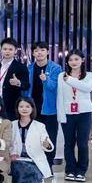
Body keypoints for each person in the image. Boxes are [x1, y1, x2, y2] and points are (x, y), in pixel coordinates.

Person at [57, 50, 92, 183]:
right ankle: (70, 170)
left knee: (82, 143)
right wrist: (61, 115)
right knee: (69, 143)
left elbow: (87, 88)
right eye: (70, 60)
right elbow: (60, 96)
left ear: (82, 60)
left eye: (76, 59)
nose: (73, 62)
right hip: (67, 113)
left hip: (84, 113)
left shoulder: (90, 75)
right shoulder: (62, 76)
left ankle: (81, 171)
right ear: (67, 62)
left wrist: (70, 80)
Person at [24, 41, 63, 170]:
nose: (39, 53)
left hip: (50, 109)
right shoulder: (29, 68)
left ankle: (48, 166)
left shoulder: (56, 68)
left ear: (47, 52)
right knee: (34, 138)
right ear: (33, 53)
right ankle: (37, 165)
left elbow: (55, 87)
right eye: (36, 50)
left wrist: (46, 80)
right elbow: (26, 89)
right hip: (33, 110)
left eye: (42, 50)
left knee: (49, 138)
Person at [10, 98, 54, 183]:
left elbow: (48, 144)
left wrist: (46, 145)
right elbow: (9, 144)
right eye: (21, 106)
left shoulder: (40, 126)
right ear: (17, 109)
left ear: (32, 109)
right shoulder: (12, 125)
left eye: (27, 106)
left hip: (34, 160)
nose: (24, 109)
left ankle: (36, 181)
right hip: (18, 159)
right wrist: (12, 154)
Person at [0, 37, 30, 120]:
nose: (7, 51)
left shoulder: (20, 67)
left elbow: (26, 85)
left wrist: (18, 83)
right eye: (5, 49)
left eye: (10, 49)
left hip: (11, 104)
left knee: (11, 126)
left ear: (15, 51)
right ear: (1, 50)